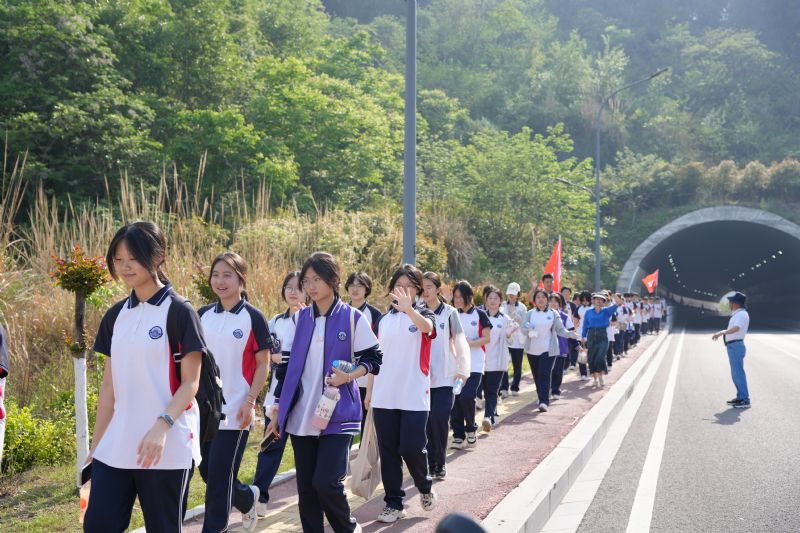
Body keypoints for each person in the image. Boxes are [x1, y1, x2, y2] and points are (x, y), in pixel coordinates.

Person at [85, 221, 206, 533]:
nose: (125, 267)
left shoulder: (180, 312)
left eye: (134, 258)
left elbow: (190, 383)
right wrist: (97, 446)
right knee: (98, 526)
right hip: (118, 444)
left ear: (158, 256)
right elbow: (109, 387)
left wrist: (161, 427)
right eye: (118, 259)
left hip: (167, 446)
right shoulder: (115, 316)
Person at [265, 252, 382, 533]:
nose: (311, 286)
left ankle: (348, 528)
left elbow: (374, 358)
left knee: (326, 482)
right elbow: (287, 368)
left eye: (317, 279)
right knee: (307, 489)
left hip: (339, 413)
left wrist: (350, 375)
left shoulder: (353, 318)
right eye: (307, 281)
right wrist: (278, 407)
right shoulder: (300, 319)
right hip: (301, 415)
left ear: (334, 279)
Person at [196, 252, 272, 532]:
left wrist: (250, 401)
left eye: (227, 275)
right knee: (207, 471)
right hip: (204, 411)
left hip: (236, 409)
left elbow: (263, 364)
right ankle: (247, 497)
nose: (220, 281)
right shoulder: (202, 315)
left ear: (241, 279)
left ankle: (215, 528)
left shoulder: (254, 317)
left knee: (218, 477)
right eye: (215, 275)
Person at [366, 264, 439, 523]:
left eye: (409, 286)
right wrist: (370, 392)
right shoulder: (383, 321)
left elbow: (427, 328)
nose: (404, 291)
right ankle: (394, 503)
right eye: (399, 286)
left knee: (411, 447)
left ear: (418, 290)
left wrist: (409, 309)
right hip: (384, 395)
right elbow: (376, 358)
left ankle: (424, 485)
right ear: (391, 289)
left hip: (414, 395)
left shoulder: (423, 314)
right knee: (388, 452)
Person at [254, 271, 305, 517]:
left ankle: (311, 500)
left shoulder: (312, 320)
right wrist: (274, 358)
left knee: (304, 452)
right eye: (288, 287)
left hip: (304, 396)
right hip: (276, 396)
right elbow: (265, 354)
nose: (293, 292)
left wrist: (282, 357)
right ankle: (259, 498)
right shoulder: (275, 321)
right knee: (270, 447)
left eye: (298, 287)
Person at [421, 272, 470, 480]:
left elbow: (460, 342)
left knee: (439, 418)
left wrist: (463, 369)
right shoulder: (417, 312)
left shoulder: (450, 313)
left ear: (438, 289)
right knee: (426, 422)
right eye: (422, 287)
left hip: (444, 377)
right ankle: (431, 462)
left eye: (429, 287)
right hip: (421, 378)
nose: (425, 291)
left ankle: (440, 461)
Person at [522, 289, 579, 412]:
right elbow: (523, 329)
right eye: (538, 297)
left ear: (547, 300)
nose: (541, 299)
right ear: (535, 300)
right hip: (532, 350)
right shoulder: (530, 313)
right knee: (537, 375)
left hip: (548, 349)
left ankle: (544, 401)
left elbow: (560, 330)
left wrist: (571, 334)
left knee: (545, 374)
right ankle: (541, 396)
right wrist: (529, 331)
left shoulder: (553, 313)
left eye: (543, 297)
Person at [450, 280, 491, 449]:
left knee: (467, 396)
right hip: (456, 365)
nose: (458, 300)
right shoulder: (452, 314)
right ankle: (458, 436)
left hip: (474, 364)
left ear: (469, 297)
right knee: (455, 399)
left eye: (461, 297)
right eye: (455, 297)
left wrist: (468, 343)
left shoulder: (480, 315)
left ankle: (471, 429)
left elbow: (487, 338)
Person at [345, 271, 382, 435]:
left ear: (366, 289)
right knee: (344, 420)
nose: (355, 289)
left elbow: (377, 350)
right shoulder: (340, 311)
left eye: (359, 285)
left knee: (366, 422)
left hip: (366, 378)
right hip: (343, 375)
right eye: (352, 285)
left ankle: (364, 452)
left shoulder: (375, 315)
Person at [482, 286, 517, 430]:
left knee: (492, 390)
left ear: (500, 301)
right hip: (480, 360)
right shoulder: (480, 316)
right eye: (490, 298)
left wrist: (509, 334)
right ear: (485, 300)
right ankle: (493, 413)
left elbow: (510, 342)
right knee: (485, 391)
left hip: (497, 361)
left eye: (496, 298)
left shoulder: (505, 319)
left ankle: (488, 417)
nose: (492, 301)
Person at [712, 292, 751, 409]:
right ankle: (740, 397)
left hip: (736, 346)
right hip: (734, 346)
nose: (729, 303)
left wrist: (722, 332)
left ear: (736, 303)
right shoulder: (739, 314)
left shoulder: (741, 314)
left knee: (738, 373)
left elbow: (736, 328)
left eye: (731, 301)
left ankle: (744, 399)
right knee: (736, 374)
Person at [580, 293, 618, 388]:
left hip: (602, 335)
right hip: (591, 335)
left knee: (600, 357)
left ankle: (601, 376)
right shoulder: (588, 312)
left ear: (604, 302)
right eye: (596, 299)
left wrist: (615, 296)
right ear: (593, 301)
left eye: (601, 299)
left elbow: (617, 304)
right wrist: (583, 336)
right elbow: (585, 325)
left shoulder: (606, 311)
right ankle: (595, 379)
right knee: (592, 358)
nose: (598, 301)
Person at [500, 282, 527, 396]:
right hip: (506, 339)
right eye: (509, 293)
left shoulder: (522, 307)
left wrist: (515, 315)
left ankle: (515, 387)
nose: (511, 296)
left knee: (517, 365)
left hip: (518, 341)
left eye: (513, 293)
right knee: (504, 364)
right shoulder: (502, 305)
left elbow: (524, 323)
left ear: (518, 295)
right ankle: (504, 387)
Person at [548, 293, 572, 400]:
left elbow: (571, 331)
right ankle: (547, 389)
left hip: (561, 348)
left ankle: (555, 389)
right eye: (551, 301)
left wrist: (576, 345)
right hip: (546, 348)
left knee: (558, 371)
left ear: (559, 304)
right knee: (547, 371)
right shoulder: (544, 315)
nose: (553, 304)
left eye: (555, 301)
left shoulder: (564, 316)